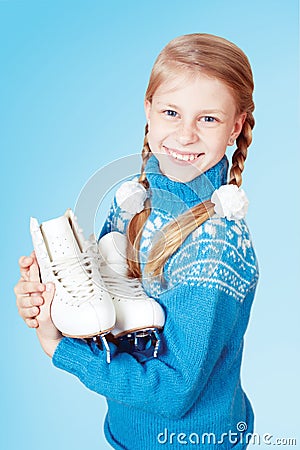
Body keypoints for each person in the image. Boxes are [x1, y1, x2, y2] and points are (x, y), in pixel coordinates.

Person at [14, 33, 259, 449]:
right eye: (171, 112)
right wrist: (54, 302)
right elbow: (108, 318)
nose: (185, 135)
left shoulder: (216, 246)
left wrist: (59, 349)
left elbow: (175, 390)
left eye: (208, 119)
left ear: (235, 126)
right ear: (148, 110)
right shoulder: (133, 199)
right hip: (128, 430)